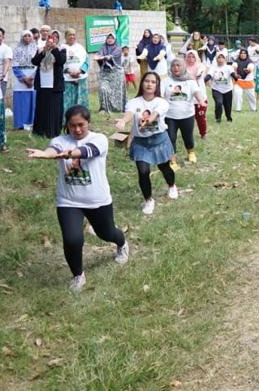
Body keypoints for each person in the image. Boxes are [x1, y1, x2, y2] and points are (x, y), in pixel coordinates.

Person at [27, 105, 129, 293]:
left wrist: (69, 154)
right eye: (72, 126)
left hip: (97, 200)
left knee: (107, 234)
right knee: (72, 239)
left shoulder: (99, 139)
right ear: (67, 125)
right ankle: (78, 274)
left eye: (81, 125)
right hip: (68, 201)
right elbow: (53, 149)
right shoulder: (60, 140)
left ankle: (122, 243)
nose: (77, 130)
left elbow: (88, 151)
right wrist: (45, 154)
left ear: (88, 122)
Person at [117, 72, 178, 215]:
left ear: (157, 85)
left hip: (159, 140)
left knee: (165, 167)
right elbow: (130, 113)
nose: (149, 84)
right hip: (141, 143)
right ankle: (149, 200)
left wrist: (150, 119)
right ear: (142, 83)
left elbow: (156, 112)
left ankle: (172, 185)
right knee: (143, 171)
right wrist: (123, 121)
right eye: (146, 81)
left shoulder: (161, 102)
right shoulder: (134, 102)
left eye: (153, 82)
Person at [162, 58, 205, 167]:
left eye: (178, 65)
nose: (176, 68)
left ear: (183, 67)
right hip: (170, 116)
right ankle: (172, 158)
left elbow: (196, 92)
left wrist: (201, 101)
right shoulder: (166, 81)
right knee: (171, 138)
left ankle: (191, 152)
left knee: (188, 136)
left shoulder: (190, 81)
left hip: (187, 115)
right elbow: (160, 96)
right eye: (173, 66)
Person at [32, 30, 66, 139]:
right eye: (51, 37)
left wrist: (54, 49)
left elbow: (60, 61)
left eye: (55, 37)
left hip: (55, 85)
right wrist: (44, 51)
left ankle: (53, 131)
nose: (52, 39)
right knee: (42, 107)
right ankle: (40, 130)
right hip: (42, 84)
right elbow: (34, 61)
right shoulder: (41, 49)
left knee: (54, 108)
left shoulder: (62, 49)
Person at [11, 30, 37, 130]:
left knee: (32, 100)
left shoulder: (36, 49)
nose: (27, 38)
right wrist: (24, 79)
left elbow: (38, 65)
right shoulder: (17, 49)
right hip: (20, 80)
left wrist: (32, 78)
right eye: (25, 36)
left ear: (32, 38)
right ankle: (20, 124)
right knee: (21, 102)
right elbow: (15, 66)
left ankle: (32, 122)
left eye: (29, 36)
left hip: (33, 78)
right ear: (22, 38)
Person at [94, 33, 125, 114]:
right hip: (105, 73)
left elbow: (111, 56)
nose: (110, 39)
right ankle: (103, 108)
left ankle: (118, 108)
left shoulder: (118, 48)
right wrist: (98, 57)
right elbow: (98, 55)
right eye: (108, 38)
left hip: (116, 74)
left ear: (115, 40)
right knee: (102, 88)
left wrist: (102, 57)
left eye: (112, 38)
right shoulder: (103, 48)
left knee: (116, 92)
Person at [61, 28, 90, 113]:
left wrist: (79, 72)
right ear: (65, 36)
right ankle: (67, 121)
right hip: (67, 79)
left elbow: (86, 61)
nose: (72, 36)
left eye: (73, 34)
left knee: (80, 101)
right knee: (67, 101)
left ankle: (82, 118)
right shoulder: (62, 48)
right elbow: (59, 63)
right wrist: (69, 71)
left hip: (81, 79)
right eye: (70, 34)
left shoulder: (80, 47)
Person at [204, 53, 237, 123]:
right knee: (219, 103)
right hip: (216, 89)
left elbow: (232, 74)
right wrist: (204, 80)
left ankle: (229, 117)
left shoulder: (229, 67)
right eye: (219, 57)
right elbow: (209, 75)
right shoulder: (213, 68)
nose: (220, 59)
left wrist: (235, 77)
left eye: (222, 57)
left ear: (225, 59)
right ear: (216, 59)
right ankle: (218, 118)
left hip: (228, 89)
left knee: (228, 106)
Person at [184, 50, 209, 138]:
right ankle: (187, 134)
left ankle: (203, 133)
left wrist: (199, 74)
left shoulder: (200, 66)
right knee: (187, 118)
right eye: (189, 57)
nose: (191, 59)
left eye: (193, 56)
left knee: (201, 116)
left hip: (200, 97)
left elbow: (201, 70)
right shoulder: (183, 68)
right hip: (187, 97)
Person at [233, 47, 257, 112]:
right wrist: (235, 74)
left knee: (251, 96)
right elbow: (234, 67)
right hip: (238, 81)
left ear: (247, 54)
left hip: (248, 82)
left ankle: (253, 108)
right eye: (241, 53)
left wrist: (248, 71)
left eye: (244, 53)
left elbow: (250, 68)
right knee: (237, 94)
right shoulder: (236, 61)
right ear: (239, 54)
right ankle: (238, 109)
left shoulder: (250, 62)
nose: (243, 54)